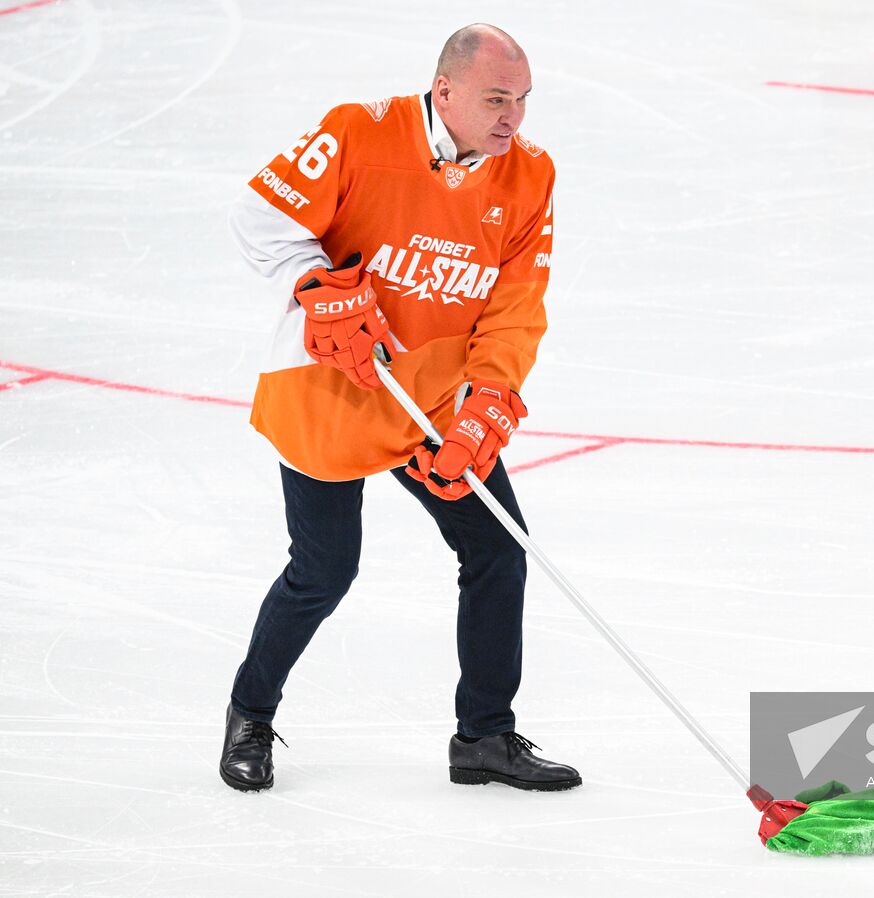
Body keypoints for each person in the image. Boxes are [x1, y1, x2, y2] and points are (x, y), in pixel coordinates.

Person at [219, 24, 578, 793]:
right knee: (323, 572)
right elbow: (261, 218)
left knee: (497, 551)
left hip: (436, 400)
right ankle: (250, 713)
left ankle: (484, 735)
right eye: (494, 99)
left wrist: (487, 402)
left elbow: (517, 304)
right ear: (444, 90)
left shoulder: (530, 175)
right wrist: (320, 288)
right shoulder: (359, 130)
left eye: (520, 100)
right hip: (331, 388)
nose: (512, 116)